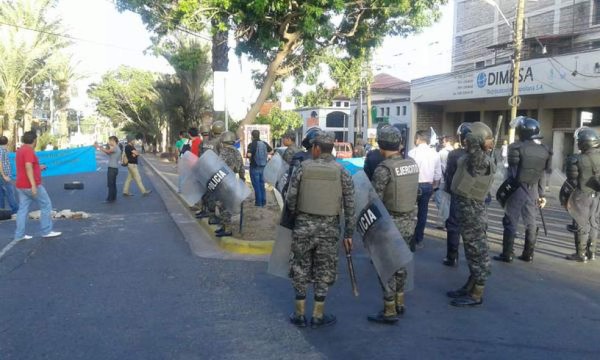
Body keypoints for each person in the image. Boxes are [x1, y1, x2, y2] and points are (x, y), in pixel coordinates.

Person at [286, 131, 355, 328]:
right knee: (324, 269)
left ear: (316, 148)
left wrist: (297, 217)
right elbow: (350, 205)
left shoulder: (302, 168)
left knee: (300, 267)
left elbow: (291, 198)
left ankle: (299, 314)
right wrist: (349, 234)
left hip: (303, 227)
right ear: (331, 148)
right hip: (329, 229)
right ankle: (318, 315)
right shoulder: (342, 171)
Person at [368, 126, 418, 324]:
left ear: (381, 145)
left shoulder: (383, 169)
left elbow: (375, 200)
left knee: (386, 266)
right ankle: (400, 301)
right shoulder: (412, 164)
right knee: (401, 263)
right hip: (408, 222)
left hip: (390, 225)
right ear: (399, 144)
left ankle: (389, 310)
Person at [447, 122, 496, 307]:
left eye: (468, 139)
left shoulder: (480, 159)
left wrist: (474, 136)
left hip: (473, 213)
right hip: (467, 211)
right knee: (471, 250)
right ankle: (471, 284)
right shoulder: (475, 157)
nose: (465, 142)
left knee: (477, 252)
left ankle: (477, 293)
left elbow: (475, 150)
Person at [493, 117, 551, 263]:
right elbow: (543, 174)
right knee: (531, 222)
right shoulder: (545, 150)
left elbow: (512, 173)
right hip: (533, 191)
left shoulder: (516, 147)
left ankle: (507, 254)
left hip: (517, 189)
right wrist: (542, 194)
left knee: (510, 220)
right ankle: (528, 254)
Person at [13, 131, 61, 241]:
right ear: (34, 140)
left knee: (22, 210)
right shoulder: (29, 151)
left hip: (21, 185)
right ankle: (46, 231)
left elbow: (27, 166)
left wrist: (38, 167)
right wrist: (33, 185)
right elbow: (28, 167)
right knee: (46, 205)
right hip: (31, 185)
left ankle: (19, 235)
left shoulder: (20, 150)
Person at [564, 127, 600, 262]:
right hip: (596, 195)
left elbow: (571, 179)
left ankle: (581, 254)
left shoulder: (576, 159)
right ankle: (592, 253)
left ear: (585, 143)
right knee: (594, 223)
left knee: (581, 224)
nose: (578, 143)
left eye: (580, 141)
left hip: (581, 195)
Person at [442, 124, 472, 267]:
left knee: (454, 225)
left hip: (458, 194)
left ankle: (452, 256)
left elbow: (449, 175)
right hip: (477, 197)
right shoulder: (484, 154)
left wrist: (449, 190)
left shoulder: (455, 154)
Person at [408, 130, 442, 249]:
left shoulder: (412, 153)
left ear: (417, 139)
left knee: (409, 212)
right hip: (428, 185)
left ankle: (408, 237)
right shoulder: (435, 154)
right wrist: (434, 186)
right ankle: (419, 239)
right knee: (423, 213)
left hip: (412, 185)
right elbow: (438, 174)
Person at [213, 131, 246, 237]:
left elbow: (218, 165)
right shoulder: (237, 152)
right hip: (233, 181)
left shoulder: (224, 151)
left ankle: (227, 229)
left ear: (223, 141)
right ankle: (224, 226)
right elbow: (242, 167)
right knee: (226, 205)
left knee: (223, 206)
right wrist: (242, 179)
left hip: (224, 181)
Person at [246, 129, 272, 207]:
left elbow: (249, 155)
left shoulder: (251, 144)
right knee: (262, 185)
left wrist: (247, 155)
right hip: (263, 168)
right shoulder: (264, 143)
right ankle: (263, 202)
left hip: (255, 167)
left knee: (256, 186)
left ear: (252, 136)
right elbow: (271, 152)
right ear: (259, 135)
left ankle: (258, 203)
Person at [95, 136, 121, 203]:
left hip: (112, 169)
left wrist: (99, 147)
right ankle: (113, 197)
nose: (109, 142)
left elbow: (108, 151)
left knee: (110, 184)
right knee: (113, 184)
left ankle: (110, 198)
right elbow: (108, 153)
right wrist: (100, 148)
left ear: (113, 141)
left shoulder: (115, 148)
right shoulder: (116, 148)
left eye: (110, 141)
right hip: (115, 168)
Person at [0, 136, 18, 214]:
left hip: (2, 174)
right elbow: (0, 163)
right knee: (10, 192)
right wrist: (4, 175)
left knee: (1, 193)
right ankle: (15, 209)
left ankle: (1, 209)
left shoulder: (3, 150)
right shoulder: (2, 151)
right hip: (4, 174)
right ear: (7, 142)